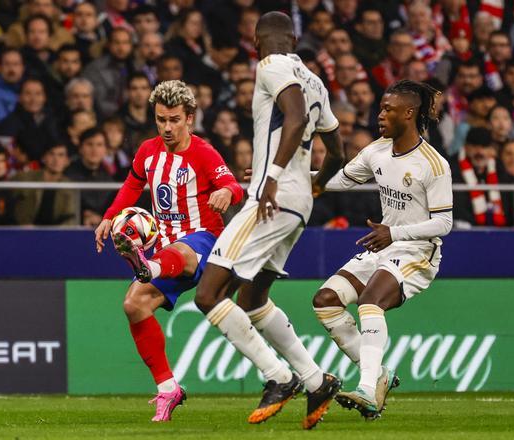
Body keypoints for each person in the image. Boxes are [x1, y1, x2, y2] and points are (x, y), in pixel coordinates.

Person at [193, 12, 345, 430]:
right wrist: (312, 184)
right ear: (294, 38)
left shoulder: (270, 65)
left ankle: (278, 377)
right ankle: (316, 380)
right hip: (296, 204)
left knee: (208, 294)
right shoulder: (315, 80)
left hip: (269, 201)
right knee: (252, 299)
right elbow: (337, 152)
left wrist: (271, 179)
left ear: (258, 41)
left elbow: (293, 118)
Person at [93, 80, 244, 422]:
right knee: (134, 305)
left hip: (206, 242)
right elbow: (132, 184)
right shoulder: (148, 151)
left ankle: (147, 267)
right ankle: (168, 389)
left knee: (179, 249)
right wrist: (108, 217)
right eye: (161, 119)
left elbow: (233, 185)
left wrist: (226, 195)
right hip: (165, 252)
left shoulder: (204, 153)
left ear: (190, 118)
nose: (167, 127)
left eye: (174, 119)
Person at [309, 80, 451, 419]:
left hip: (418, 253)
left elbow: (444, 223)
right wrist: (285, 177)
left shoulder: (434, 164)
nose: (381, 114)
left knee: (371, 300)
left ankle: (368, 390)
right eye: (381, 107)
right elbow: (341, 179)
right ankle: (379, 374)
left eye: (388, 109)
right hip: (385, 246)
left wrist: (395, 232)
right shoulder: (377, 150)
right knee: (325, 302)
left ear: (409, 113)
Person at [13, 143, 77, 225]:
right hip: (25, 232)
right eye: (51, 154)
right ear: (43, 158)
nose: (56, 159)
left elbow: (70, 217)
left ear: (67, 161)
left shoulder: (70, 186)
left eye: (61, 155)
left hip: (56, 234)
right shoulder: (24, 178)